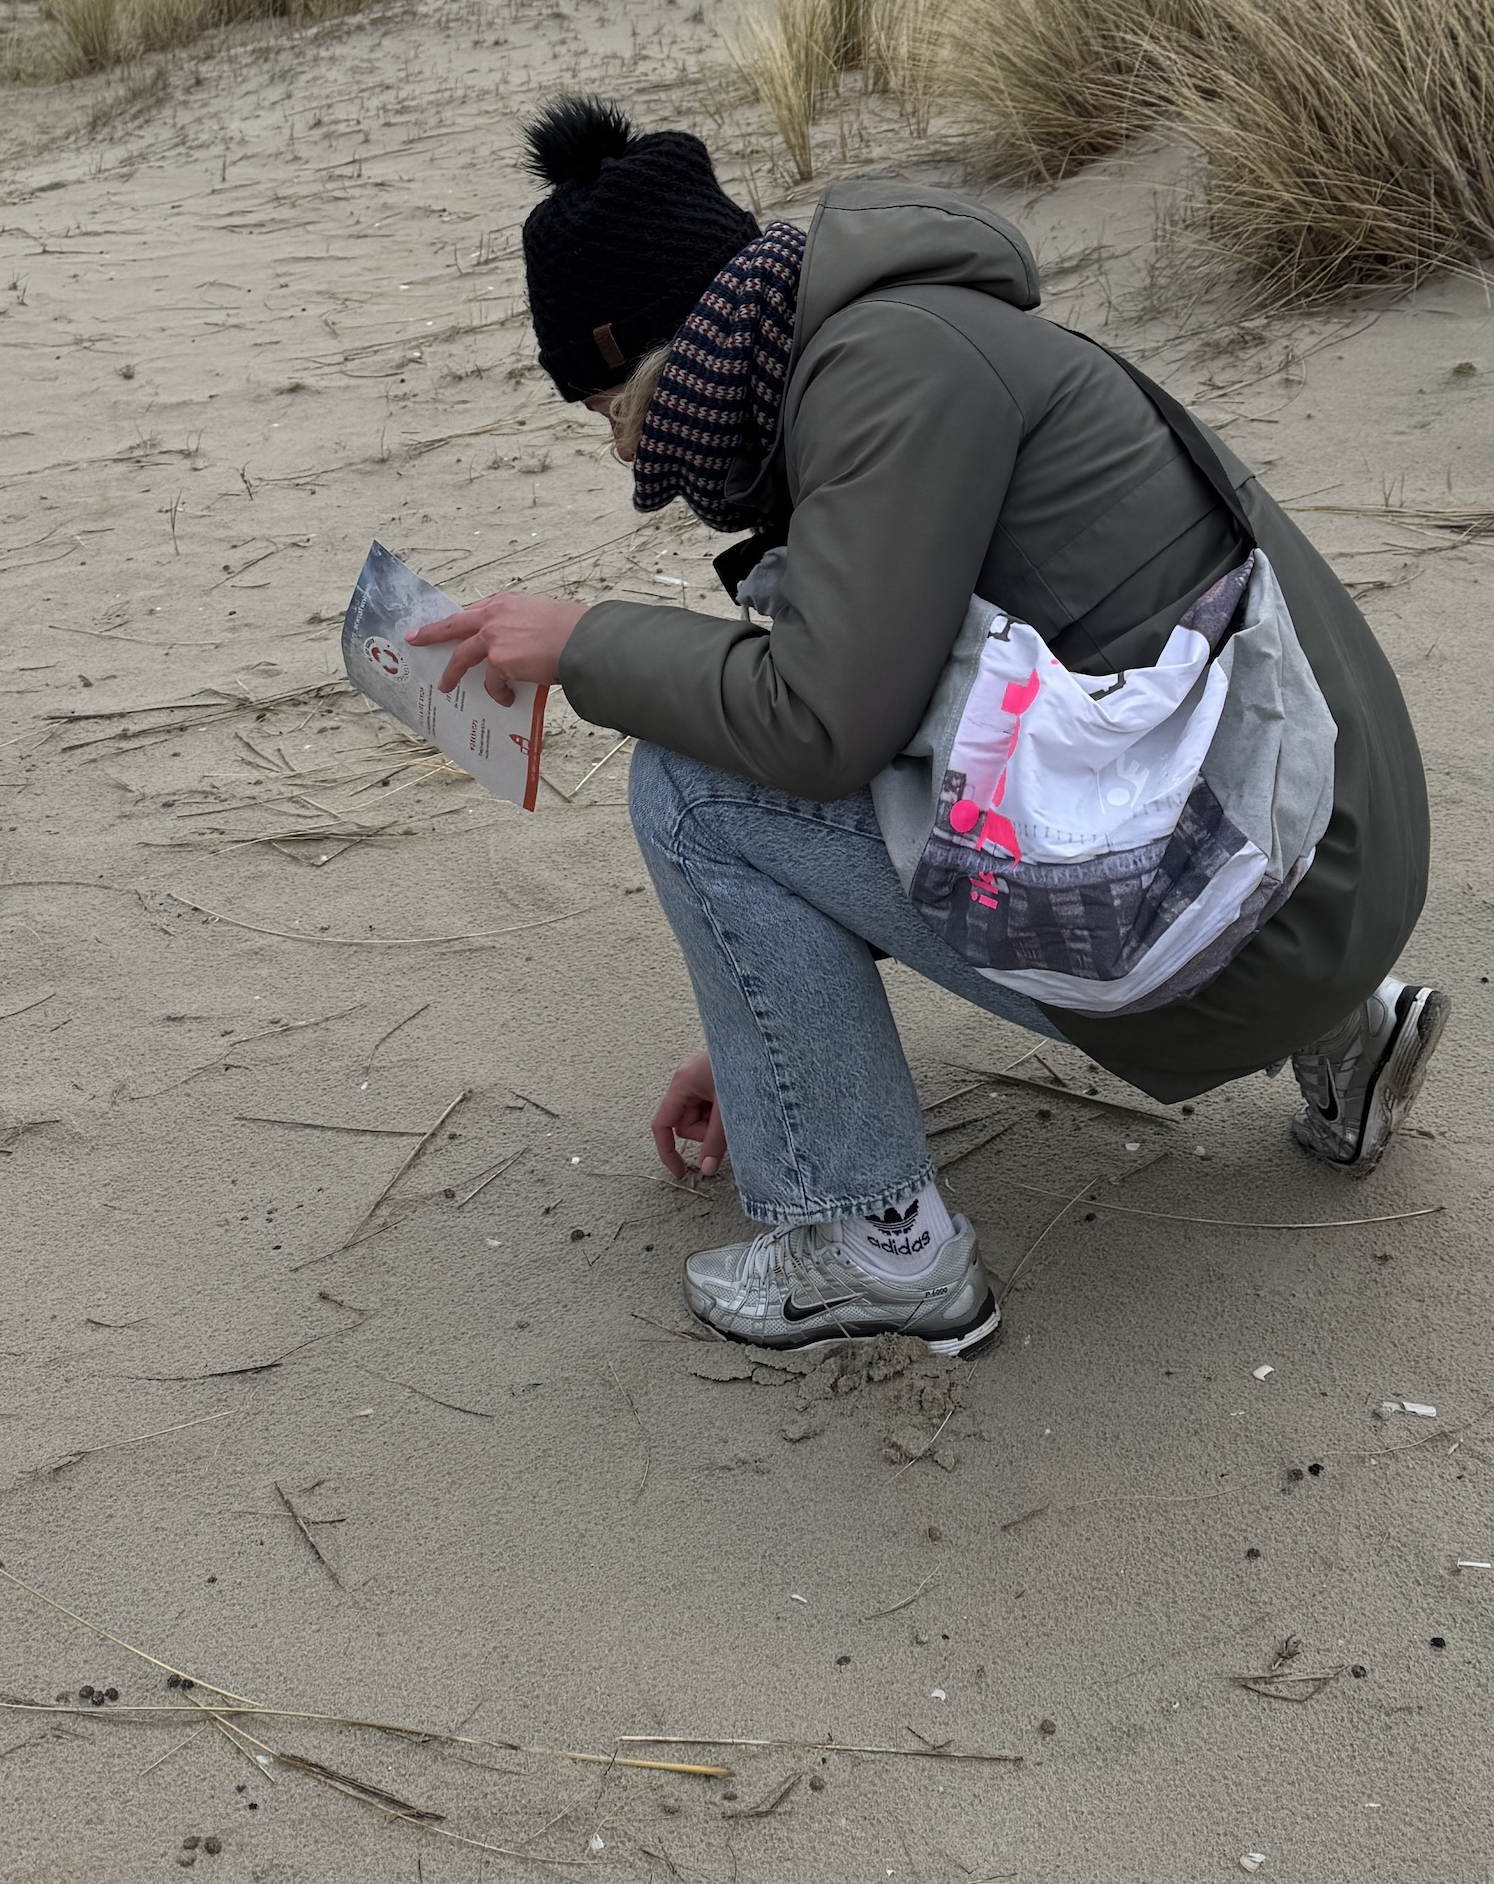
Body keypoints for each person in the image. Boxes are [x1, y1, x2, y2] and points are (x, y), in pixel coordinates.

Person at [414, 96, 1444, 1359]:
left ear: (660, 342)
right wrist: (760, 1050)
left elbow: (820, 732)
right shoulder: (909, 334)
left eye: (607, 407)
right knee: (817, 755)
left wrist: (582, 642)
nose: (623, 456)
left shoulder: (880, 373)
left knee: (690, 784)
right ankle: (1350, 1028)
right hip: (1324, 857)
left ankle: (869, 1244)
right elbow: (952, 742)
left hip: (1258, 914)